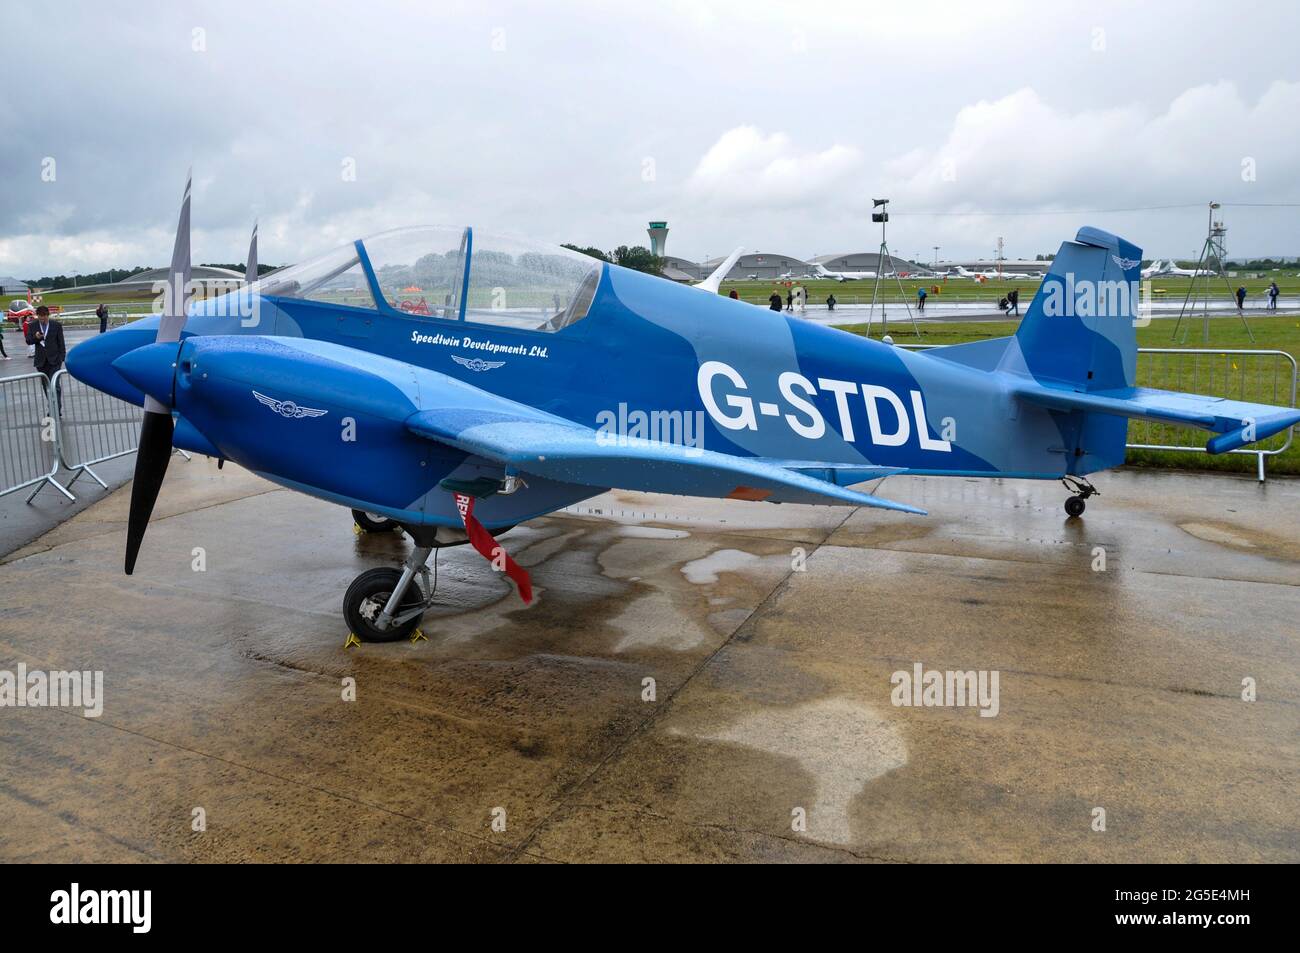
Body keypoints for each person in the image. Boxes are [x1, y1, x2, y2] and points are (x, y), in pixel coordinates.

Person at [27, 306, 66, 413]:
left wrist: (62, 357)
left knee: (55, 385)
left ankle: (56, 409)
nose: (42, 320)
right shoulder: (32, 325)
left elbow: (61, 342)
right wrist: (36, 338)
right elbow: (28, 341)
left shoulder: (56, 325)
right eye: (40, 318)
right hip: (41, 361)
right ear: (37, 316)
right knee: (46, 386)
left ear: (48, 315)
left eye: (44, 317)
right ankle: (52, 406)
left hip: (55, 360)